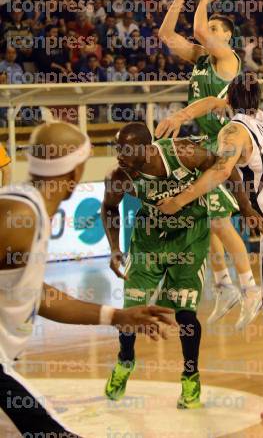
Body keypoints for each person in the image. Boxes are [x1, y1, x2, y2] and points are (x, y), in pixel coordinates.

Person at [158, 74, 263, 421]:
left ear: (229, 99)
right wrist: (181, 117)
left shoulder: (233, 132)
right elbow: (215, 107)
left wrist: (180, 199)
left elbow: (221, 172)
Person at [0, 121, 176, 437]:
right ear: (73, 175)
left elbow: (38, 297)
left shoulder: (29, 210)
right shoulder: (20, 215)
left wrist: (117, 316)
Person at [102, 122, 263, 408]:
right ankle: (125, 360)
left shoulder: (184, 154)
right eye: (117, 149)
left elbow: (227, 170)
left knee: (186, 316)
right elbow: (110, 208)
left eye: (126, 149)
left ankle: (191, 378)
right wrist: (114, 249)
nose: (119, 155)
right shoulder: (120, 176)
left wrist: (247, 207)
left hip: (189, 238)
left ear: (146, 147)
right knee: (130, 313)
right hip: (148, 242)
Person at [158, 0, 262, 330]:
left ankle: (250, 288)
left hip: (225, 145)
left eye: (219, 30)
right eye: (211, 28)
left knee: (219, 222)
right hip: (201, 144)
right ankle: (223, 285)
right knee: (204, 221)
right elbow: (166, 34)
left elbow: (199, 29)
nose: (209, 33)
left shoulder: (228, 60)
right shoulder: (201, 58)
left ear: (229, 38)